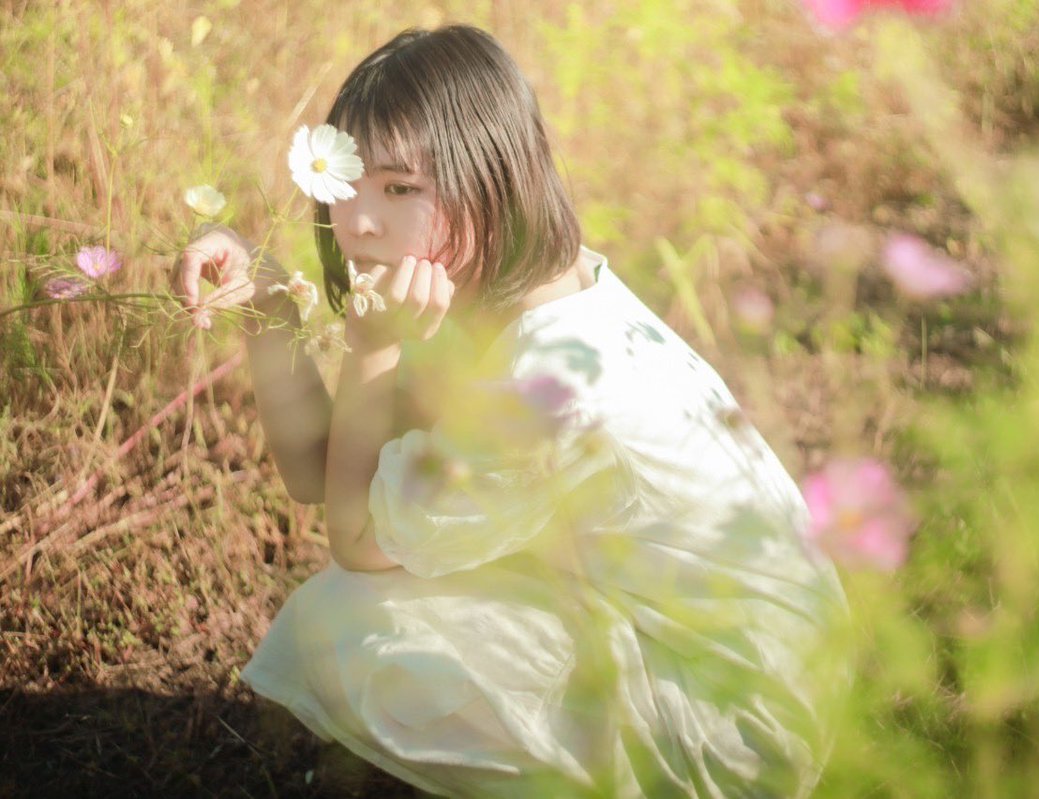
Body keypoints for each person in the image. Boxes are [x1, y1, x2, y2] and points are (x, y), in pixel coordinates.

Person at [171, 24, 848, 799]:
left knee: (348, 619)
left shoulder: (546, 381)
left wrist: (372, 350)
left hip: (735, 725)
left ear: (493, 184)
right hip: (729, 660)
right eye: (348, 184)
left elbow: (356, 539)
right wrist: (268, 301)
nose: (357, 221)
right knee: (400, 571)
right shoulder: (516, 291)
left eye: (400, 189)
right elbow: (323, 474)